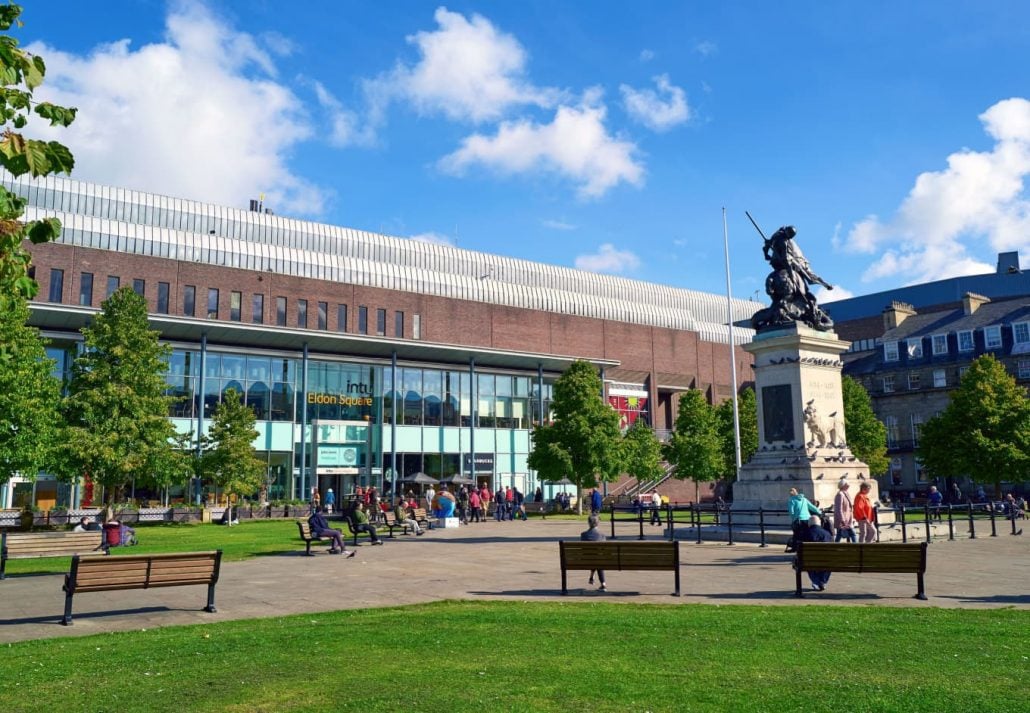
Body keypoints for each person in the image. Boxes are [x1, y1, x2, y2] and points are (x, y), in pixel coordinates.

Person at [801, 514, 833, 591]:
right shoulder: (827, 534)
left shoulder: (805, 534)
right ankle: (823, 581)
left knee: (808, 561)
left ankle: (816, 581)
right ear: (819, 523)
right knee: (828, 562)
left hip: (810, 560)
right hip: (826, 560)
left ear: (809, 523)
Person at [786, 487, 821, 553]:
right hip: (808, 520)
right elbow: (812, 507)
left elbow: (791, 512)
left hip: (798, 520)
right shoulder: (804, 499)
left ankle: (795, 548)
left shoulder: (791, 500)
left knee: (796, 534)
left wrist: (794, 519)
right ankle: (807, 548)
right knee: (806, 534)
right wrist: (819, 512)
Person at [580, 514, 607, 591]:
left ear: (588, 523)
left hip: (586, 559)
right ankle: (603, 584)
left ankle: (592, 577)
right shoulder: (602, 535)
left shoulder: (583, 535)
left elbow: (583, 549)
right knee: (598, 558)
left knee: (594, 557)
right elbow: (604, 550)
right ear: (598, 523)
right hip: (599, 559)